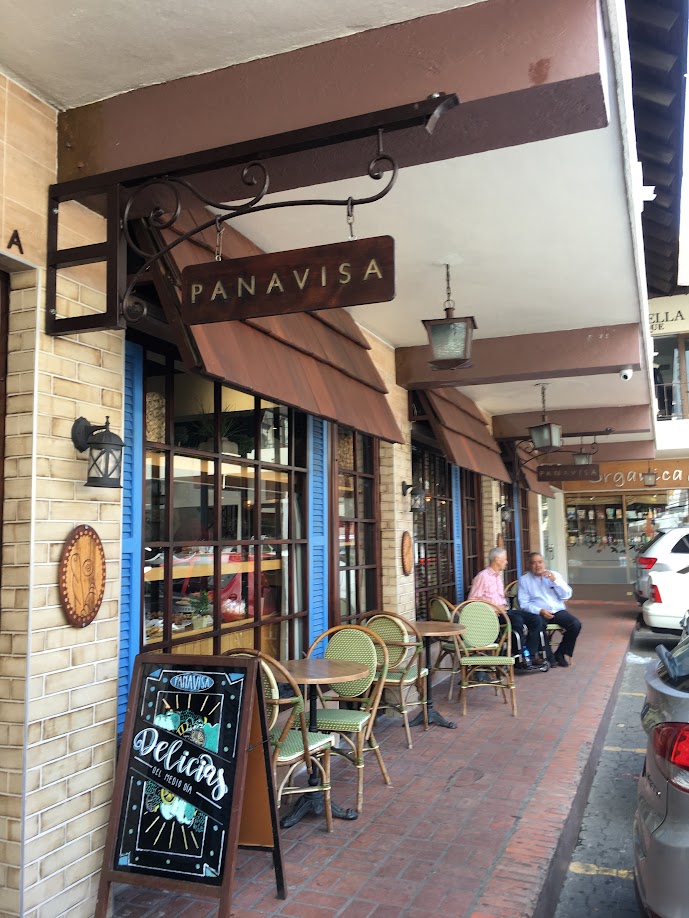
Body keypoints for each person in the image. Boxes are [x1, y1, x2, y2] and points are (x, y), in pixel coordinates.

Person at [468, 547, 546, 673]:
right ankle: (518, 658)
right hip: (492, 614)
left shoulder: (497, 576)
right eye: (504, 559)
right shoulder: (483, 576)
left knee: (535, 618)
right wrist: (490, 609)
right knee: (517, 621)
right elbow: (472, 600)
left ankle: (530, 656)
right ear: (497, 559)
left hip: (504, 611)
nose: (506, 562)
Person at [517, 551, 581, 668]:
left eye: (540, 562)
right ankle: (548, 656)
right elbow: (524, 604)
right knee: (538, 626)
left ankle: (560, 653)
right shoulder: (524, 580)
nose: (538, 565)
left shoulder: (554, 575)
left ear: (544, 563)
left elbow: (567, 595)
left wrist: (554, 581)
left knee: (575, 624)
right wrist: (540, 611)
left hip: (557, 611)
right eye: (534, 563)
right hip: (538, 613)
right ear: (529, 565)